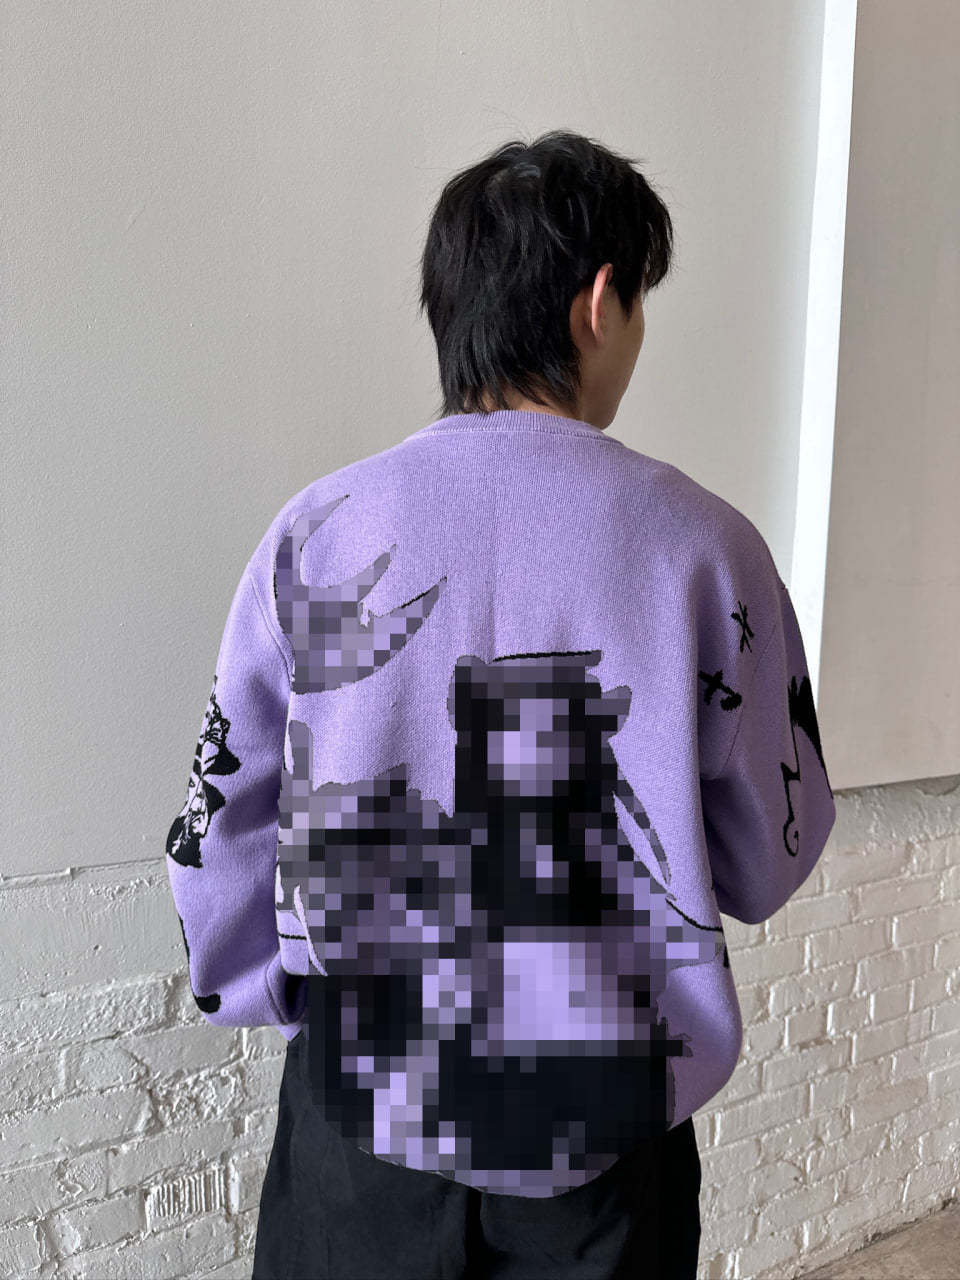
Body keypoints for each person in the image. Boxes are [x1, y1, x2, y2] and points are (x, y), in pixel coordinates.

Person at [164, 129, 836, 1279]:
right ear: (600, 302)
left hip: (359, 1113)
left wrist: (284, 989)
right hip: (607, 1130)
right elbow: (772, 852)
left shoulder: (318, 535)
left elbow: (220, 822)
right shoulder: (705, 548)